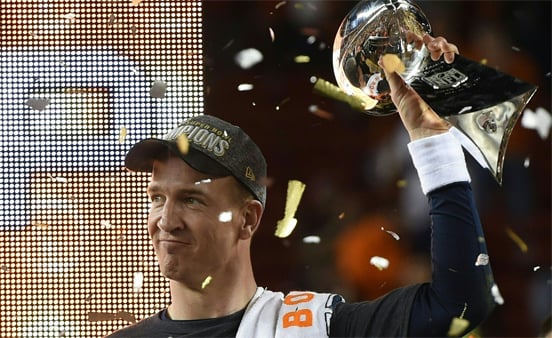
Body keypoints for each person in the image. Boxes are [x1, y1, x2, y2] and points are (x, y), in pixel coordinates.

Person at [106, 34, 496, 337]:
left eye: (192, 199)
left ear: (248, 219)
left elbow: (461, 305)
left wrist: (432, 141)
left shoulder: (317, 327)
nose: (166, 220)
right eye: (157, 198)